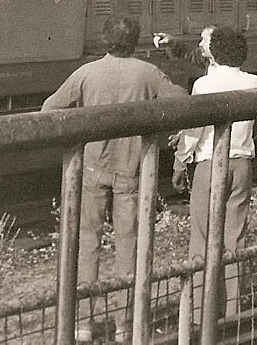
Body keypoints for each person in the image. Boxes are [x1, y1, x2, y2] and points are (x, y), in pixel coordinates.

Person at [42, 17, 188, 342]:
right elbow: (183, 101)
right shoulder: (149, 73)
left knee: (87, 242)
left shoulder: (86, 72)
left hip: (93, 168)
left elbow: (50, 109)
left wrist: (78, 135)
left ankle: (82, 324)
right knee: (128, 246)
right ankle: (125, 325)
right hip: (132, 169)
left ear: (105, 40)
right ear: (135, 41)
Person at [173, 25, 257, 320]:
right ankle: (231, 312)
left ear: (215, 50)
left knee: (202, 237)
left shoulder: (204, 85)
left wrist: (180, 160)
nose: (202, 44)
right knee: (235, 238)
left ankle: (201, 313)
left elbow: (193, 131)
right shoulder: (254, 82)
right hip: (242, 165)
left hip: (211, 165)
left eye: (206, 42)